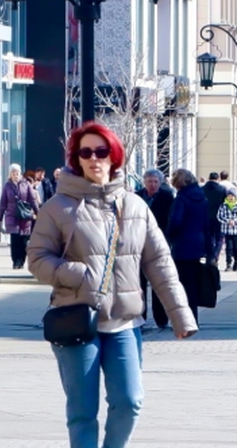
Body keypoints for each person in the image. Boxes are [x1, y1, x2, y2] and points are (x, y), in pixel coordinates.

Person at [26, 122, 196, 448]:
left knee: (129, 402)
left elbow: (160, 263)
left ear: (114, 156)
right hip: (77, 320)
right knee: (82, 412)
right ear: (76, 159)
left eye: (101, 151)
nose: (94, 159)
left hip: (125, 325)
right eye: (85, 152)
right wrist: (75, 273)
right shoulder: (58, 207)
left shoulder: (135, 206)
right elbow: (37, 259)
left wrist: (180, 315)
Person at [166, 168, 217, 322]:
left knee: (182, 283)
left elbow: (176, 221)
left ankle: (186, 319)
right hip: (199, 244)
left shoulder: (182, 198)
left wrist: (168, 236)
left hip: (183, 245)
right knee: (193, 283)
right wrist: (210, 250)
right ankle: (193, 317)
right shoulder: (201, 197)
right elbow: (206, 224)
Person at [136, 169, 176, 329]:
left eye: (155, 182)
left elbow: (170, 220)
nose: (152, 185)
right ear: (144, 182)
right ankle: (140, 317)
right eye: (149, 181)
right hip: (138, 244)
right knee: (139, 283)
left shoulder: (167, 197)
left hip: (158, 244)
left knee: (159, 282)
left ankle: (161, 318)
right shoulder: (137, 197)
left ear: (160, 183)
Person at [0, 163, 40, 270]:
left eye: (16, 172)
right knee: (15, 239)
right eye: (13, 172)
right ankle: (16, 261)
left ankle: (21, 260)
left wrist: (38, 213)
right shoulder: (7, 186)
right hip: (12, 215)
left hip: (25, 215)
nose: (15, 174)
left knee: (24, 240)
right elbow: (3, 203)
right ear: (10, 174)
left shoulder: (26, 184)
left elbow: (32, 200)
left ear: (20, 173)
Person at [217, 187, 237, 272]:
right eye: (229, 196)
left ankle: (236, 261)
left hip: (236, 230)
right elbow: (219, 216)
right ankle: (228, 263)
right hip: (226, 229)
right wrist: (228, 221)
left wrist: (235, 221)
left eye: (232, 196)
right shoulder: (223, 206)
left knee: (236, 247)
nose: (231, 197)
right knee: (228, 247)